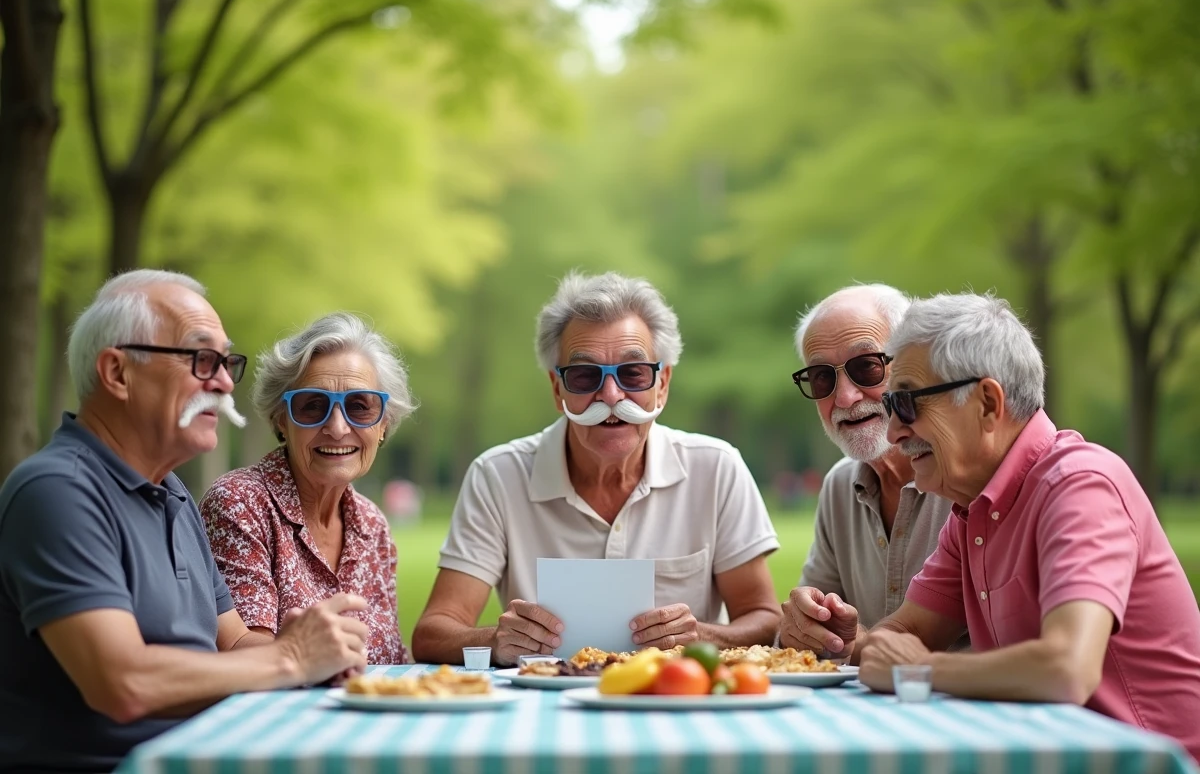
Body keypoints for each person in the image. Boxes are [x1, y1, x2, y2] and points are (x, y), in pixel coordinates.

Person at [0, 271, 370, 773]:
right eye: (200, 360)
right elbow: (122, 683)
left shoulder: (170, 490)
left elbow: (234, 642)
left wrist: (316, 651)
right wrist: (293, 660)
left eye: (225, 362)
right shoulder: (57, 491)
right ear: (117, 373)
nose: (221, 382)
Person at [854, 292, 1200, 762]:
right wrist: (888, 651)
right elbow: (898, 635)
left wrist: (919, 670)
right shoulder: (971, 508)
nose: (892, 432)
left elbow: (1066, 667)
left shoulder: (1080, 486)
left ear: (988, 404)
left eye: (906, 404)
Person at [412, 271, 781, 665]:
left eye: (633, 373)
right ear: (558, 390)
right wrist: (496, 640)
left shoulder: (716, 468)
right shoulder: (498, 476)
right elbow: (433, 633)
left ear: (663, 383)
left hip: (677, 700)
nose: (610, 395)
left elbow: (765, 619)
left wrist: (700, 635)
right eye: (586, 375)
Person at [200, 313, 417, 664]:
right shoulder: (241, 504)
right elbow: (242, 657)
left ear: (383, 424)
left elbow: (392, 658)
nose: (336, 427)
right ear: (280, 420)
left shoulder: (373, 524)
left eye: (359, 407)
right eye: (311, 406)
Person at [779, 284, 957, 657]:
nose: (845, 397)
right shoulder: (840, 485)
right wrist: (803, 623)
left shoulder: (966, 478)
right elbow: (809, 638)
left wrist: (857, 646)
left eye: (867, 367)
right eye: (823, 377)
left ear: (911, 366)